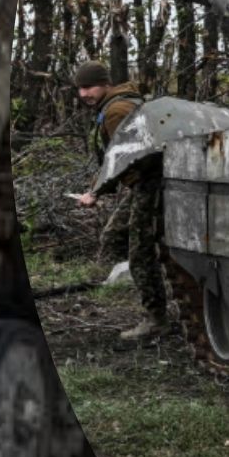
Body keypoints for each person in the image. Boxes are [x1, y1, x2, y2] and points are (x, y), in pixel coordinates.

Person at [70, 60, 167, 341]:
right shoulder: (122, 102)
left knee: (140, 253)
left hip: (150, 183)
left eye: (88, 87)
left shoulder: (116, 110)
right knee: (113, 233)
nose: (83, 94)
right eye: (80, 88)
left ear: (105, 84)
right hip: (144, 182)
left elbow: (124, 158)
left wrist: (96, 191)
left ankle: (156, 319)